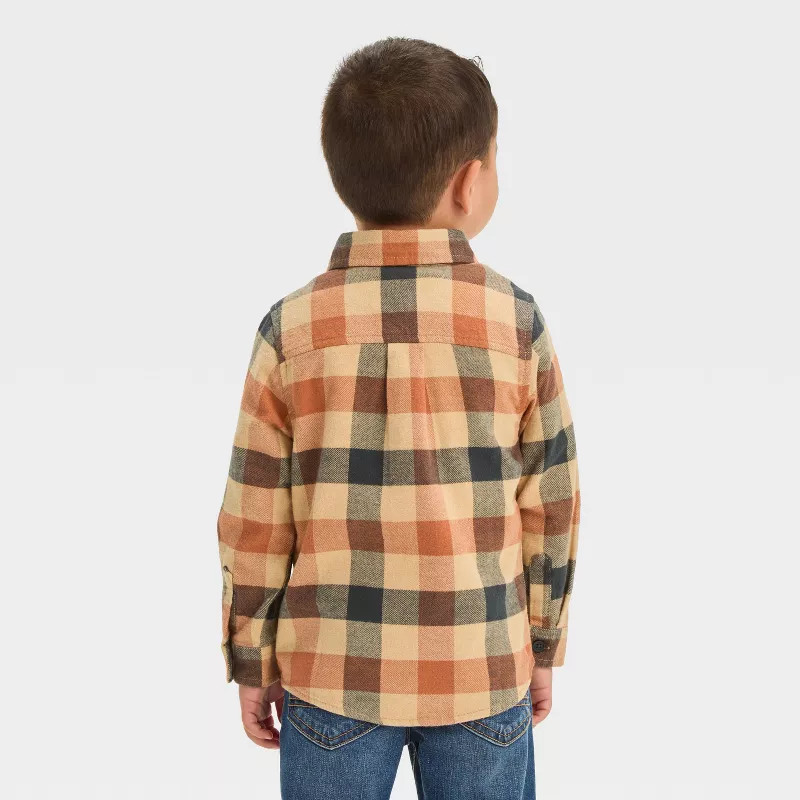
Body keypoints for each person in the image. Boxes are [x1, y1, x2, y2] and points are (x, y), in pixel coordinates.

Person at [216, 36, 581, 800]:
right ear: (469, 182)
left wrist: (253, 657)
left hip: (332, 675)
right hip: (482, 668)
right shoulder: (516, 324)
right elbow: (552, 503)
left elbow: (255, 519)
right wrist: (543, 641)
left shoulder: (291, 329)